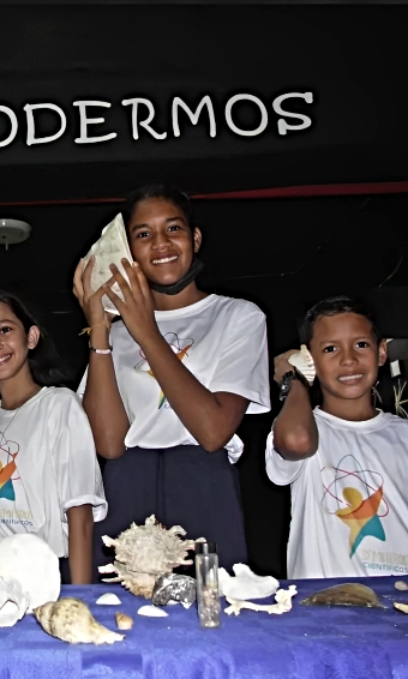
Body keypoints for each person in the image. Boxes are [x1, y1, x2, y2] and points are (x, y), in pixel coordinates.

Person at [74, 184, 270, 571]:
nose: (160, 243)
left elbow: (214, 431)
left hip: (203, 484)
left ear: (195, 239)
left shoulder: (238, 316)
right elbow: (109, 444)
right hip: (126, 488)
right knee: (125, 619)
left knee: (209, 618)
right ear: (129, 251)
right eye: (143, 234)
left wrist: (146, 331)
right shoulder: (116, 333)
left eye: (173, 229)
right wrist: (99, 330)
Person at [265, 296, 408, 578]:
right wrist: (294, 379)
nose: (348, 359)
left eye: (361, 344)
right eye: (330, 348)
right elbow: (296, 441)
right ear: (309, 359)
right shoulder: (305, 428)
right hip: (328, 607)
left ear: (381, 351)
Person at [0, 291, 106, 584]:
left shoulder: (59, 406)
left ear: (31, 337)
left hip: (44, 572)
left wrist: (82, 597)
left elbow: (79, 514)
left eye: (5, 330)